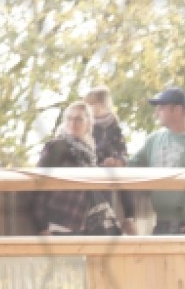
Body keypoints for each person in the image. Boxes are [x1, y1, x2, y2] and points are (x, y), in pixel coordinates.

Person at [127, 86, 185, 235]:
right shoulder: (154, 140)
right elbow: (132, 165)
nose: (156, 113)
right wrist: (116, 163)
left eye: (162, 108)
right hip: (161, 223)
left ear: (178, 110)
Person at [29, 101, 120, 236]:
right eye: (69, 118)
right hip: (56, 222)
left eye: (78, 119)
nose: (73, 123)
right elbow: (39, 185)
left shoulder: (89, 153)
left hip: (81, 224)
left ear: (89, 123)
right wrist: (41, 225)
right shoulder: (56, 146)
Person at [83, 86, 135, 230]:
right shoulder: (88, 127)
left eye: (92, 104)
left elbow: (122, 148)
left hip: (113, 163)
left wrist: (118, 160)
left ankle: (130, 217)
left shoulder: (114, 125)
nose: (90, 108)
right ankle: (106, 218)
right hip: (97, 165)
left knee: (125, 178)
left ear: (102, 105)